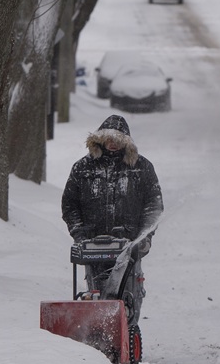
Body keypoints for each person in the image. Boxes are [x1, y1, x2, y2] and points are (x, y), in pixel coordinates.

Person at [61, 114, 163, 329]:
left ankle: (128, 331)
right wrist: (80, 235)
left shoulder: (141, 168)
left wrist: (144, 237)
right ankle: (100, 334)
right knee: (96, 293)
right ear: (99, 140)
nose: (113, 144)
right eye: (108, 139)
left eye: (118, 140)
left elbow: (153, 206)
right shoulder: (83, 168)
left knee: (129, 294)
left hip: (128, 245)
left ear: (126, 142)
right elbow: (70, 205)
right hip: (93, 245)